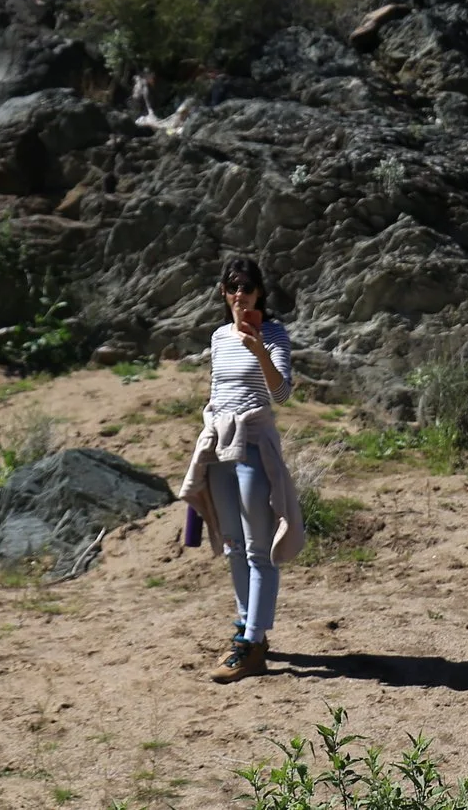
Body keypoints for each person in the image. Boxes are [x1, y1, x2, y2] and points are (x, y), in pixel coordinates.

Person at [179, 255, 305, 681]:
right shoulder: (217, 336)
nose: (240, 295)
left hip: (253, 444)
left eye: (247, 289)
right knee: (231, 543)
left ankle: (251, 644)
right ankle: (247, 629)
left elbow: (283, 394)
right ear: (223, 292)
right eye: (233, 288)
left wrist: (259, 350)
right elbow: (219, 390)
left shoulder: (273, 334)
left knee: (258, 548)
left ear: (259, 294)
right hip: (219, 446)